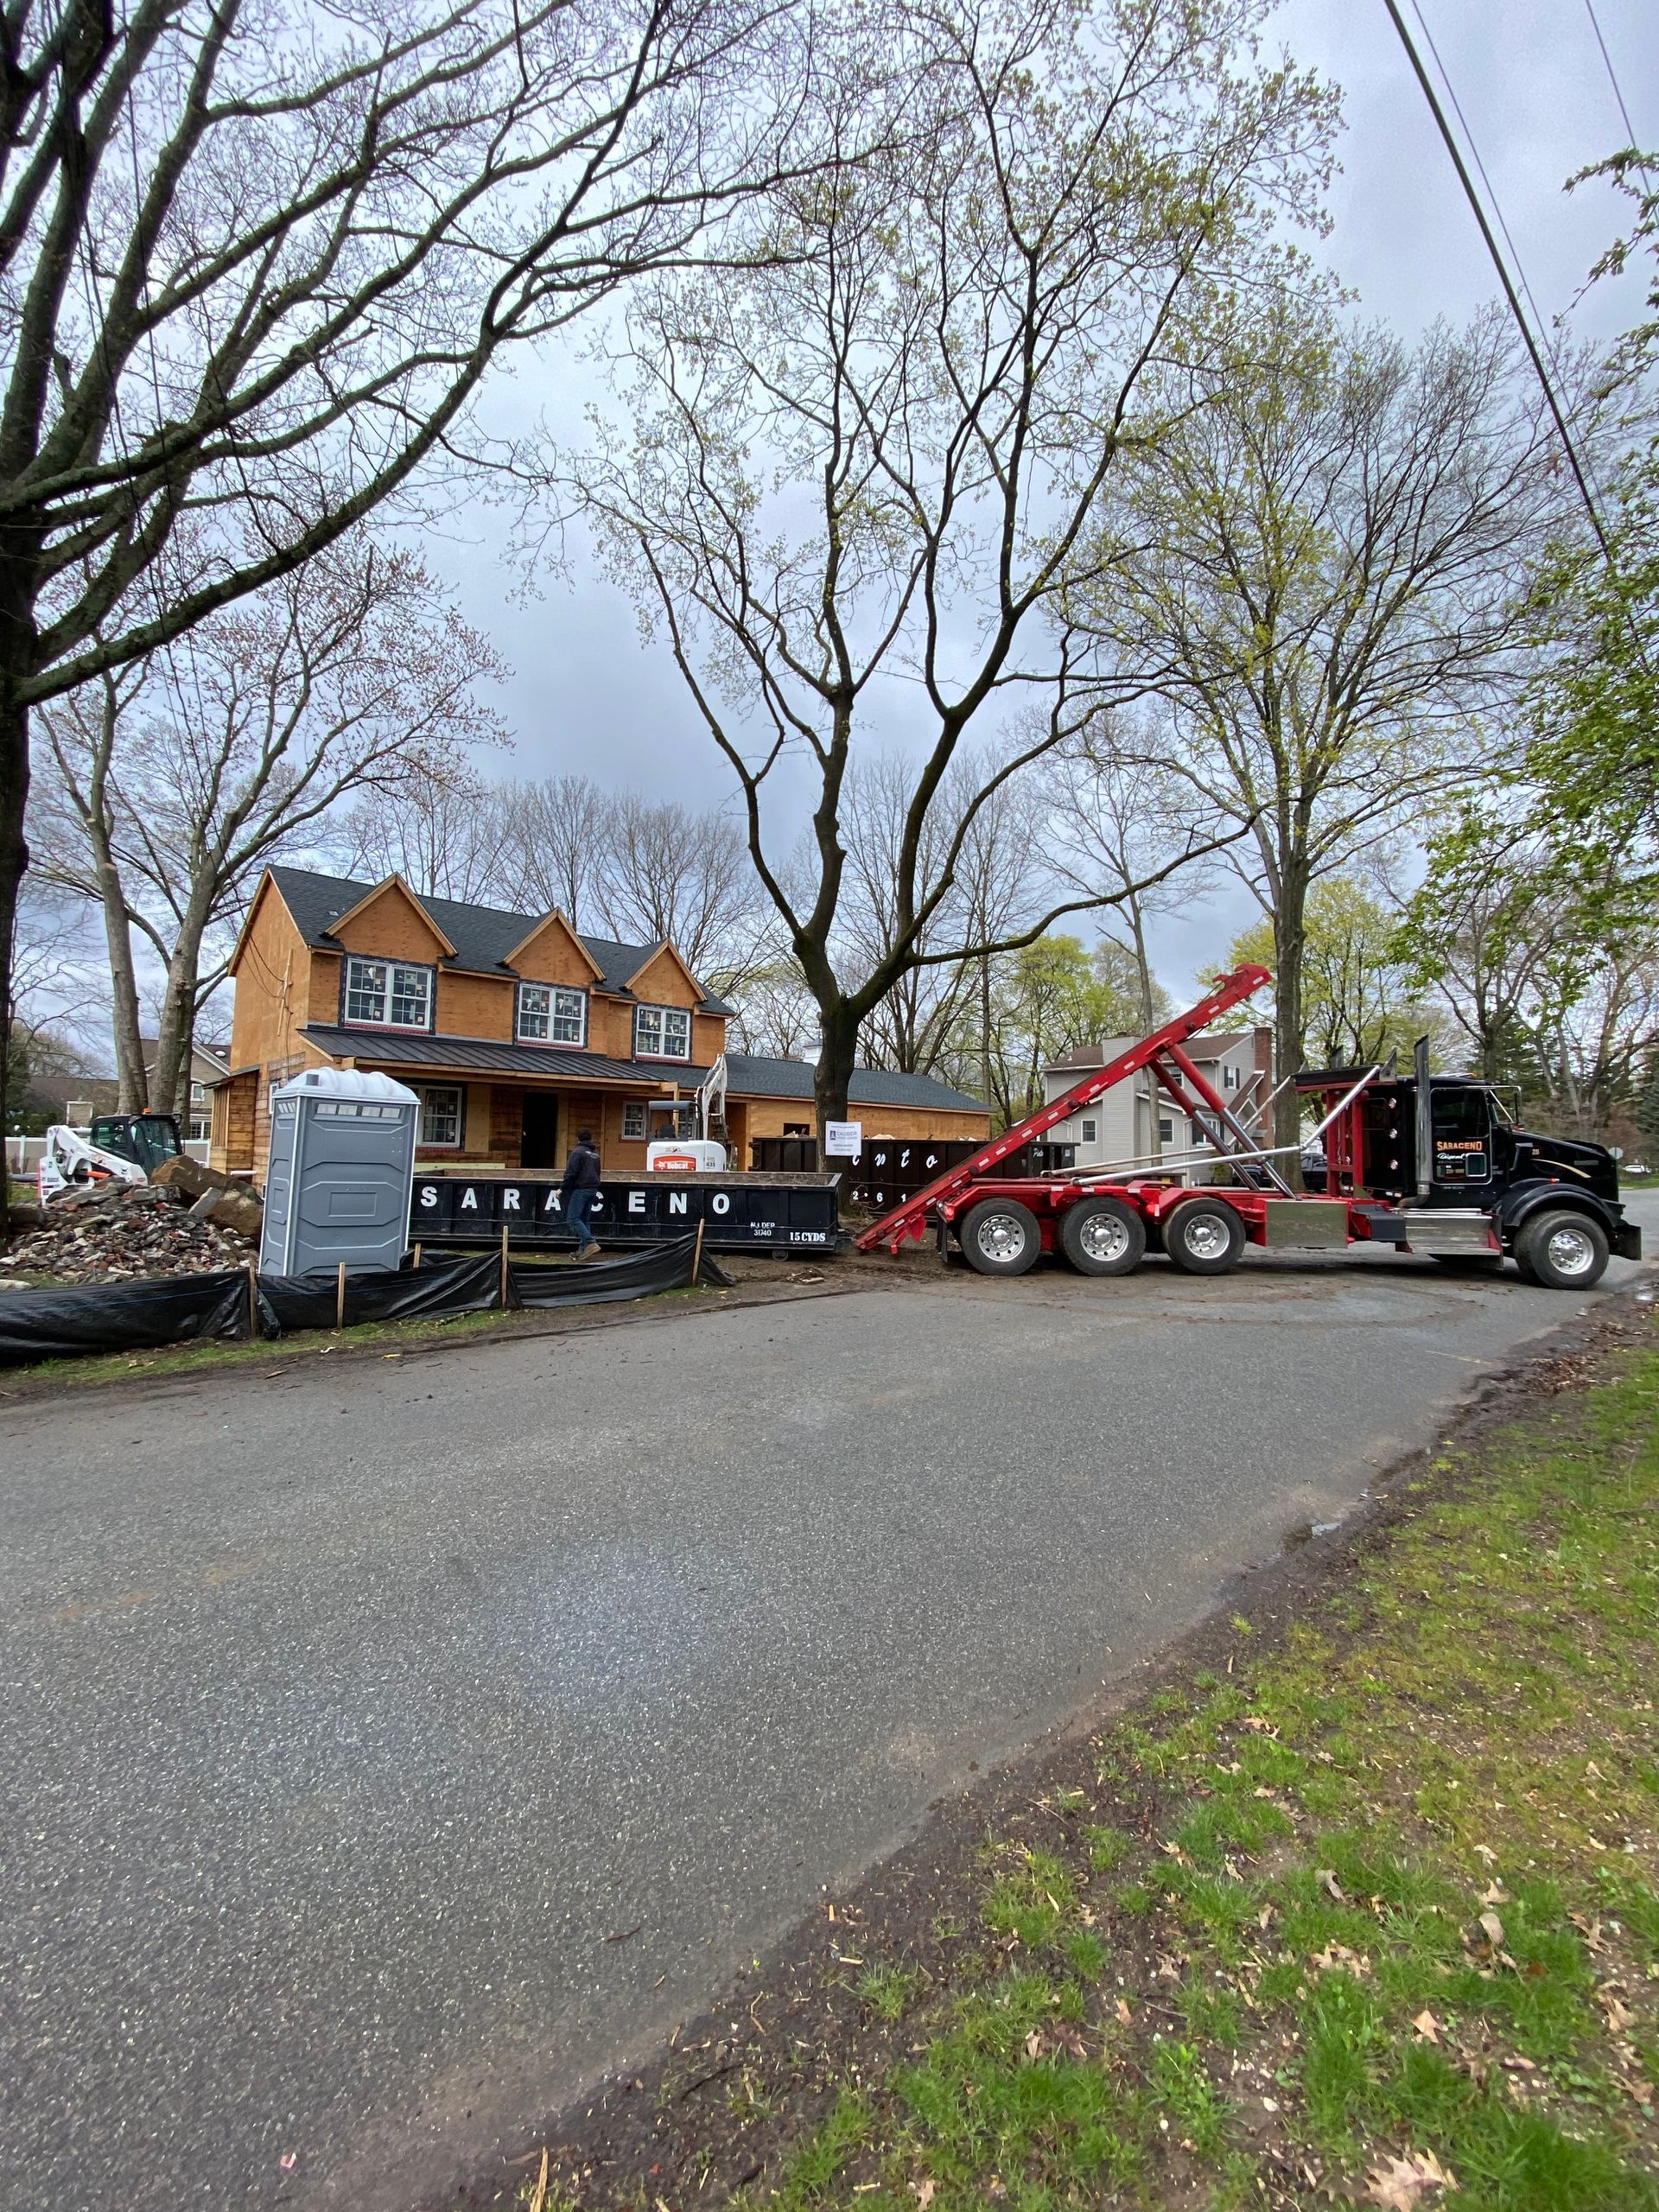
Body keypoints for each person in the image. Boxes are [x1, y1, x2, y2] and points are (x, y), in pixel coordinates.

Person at [559, 1127, 603, 1260]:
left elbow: (572, 1172)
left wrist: (562, 1188)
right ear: (590, 1138)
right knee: (584, 1220)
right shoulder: (595, 1154)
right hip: (593, 1189)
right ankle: (583, 1250)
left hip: (581, 1189)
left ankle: (590, 1243)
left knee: (573, 1218)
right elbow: (598, 1172)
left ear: (577, 1138)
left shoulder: (577, 1152)